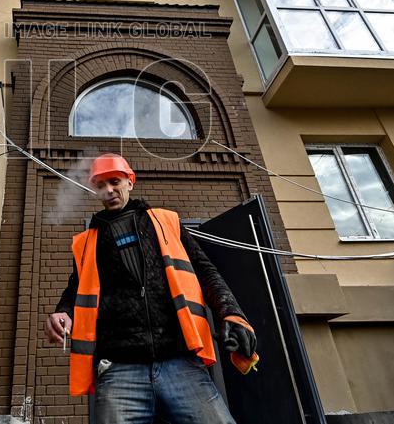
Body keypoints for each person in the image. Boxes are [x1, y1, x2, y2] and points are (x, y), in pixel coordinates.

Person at [44, 153, 259, 424]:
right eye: (100, 185)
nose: (109, 190)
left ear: (130, 181)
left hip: (180, 363)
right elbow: (75, 290)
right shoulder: (87, 243)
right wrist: (63, 312)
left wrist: (232, 314)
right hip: (119, 368)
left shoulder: (165, 222)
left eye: (114, 181)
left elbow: (206, 271)